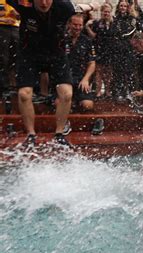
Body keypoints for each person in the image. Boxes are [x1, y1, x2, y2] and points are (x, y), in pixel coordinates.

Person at [6, 0, 97, 148]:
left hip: (56, 54)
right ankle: (31, 135)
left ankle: (59, 134)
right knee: (24, 94)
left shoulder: (64, 6)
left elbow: (81, 7)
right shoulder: (24, 3)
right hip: (29, 54)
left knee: (66, 94)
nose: (44, 3)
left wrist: (93, 5)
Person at [65, 14, 96, 112]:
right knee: (61, 104)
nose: (77, 28)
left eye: (80, 25)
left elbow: (92, 63)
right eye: (75, 25)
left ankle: (76, 101)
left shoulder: (87, 41)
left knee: (88, 105)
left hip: (80, 80)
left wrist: (86, 79)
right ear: (69, 24)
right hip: (64, 79)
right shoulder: (61, 39)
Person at [85, 3, 113, 99]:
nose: (106, 13)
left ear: (111, 12)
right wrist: (87, 27)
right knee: (98, 72)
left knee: (108, 72)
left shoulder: (114, 23)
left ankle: (108, 91)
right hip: (99, 49)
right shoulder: (97, 23)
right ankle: (98, 92)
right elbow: (93, 36)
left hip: (110, 50)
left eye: (108, 12)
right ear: (101, 12)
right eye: (105, 11)